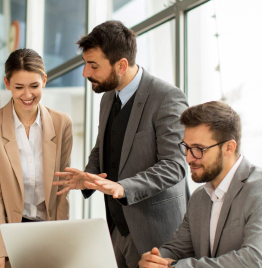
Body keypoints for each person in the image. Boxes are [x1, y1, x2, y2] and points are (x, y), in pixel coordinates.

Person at [53, 20, 189, 268]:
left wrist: (123, 188)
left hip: (158, 234)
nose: (85, 73)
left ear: (122, 65)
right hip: (117, 231)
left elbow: (175, 165)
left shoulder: (167, 97)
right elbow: (102, 147)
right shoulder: (107, 98)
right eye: (85, 64)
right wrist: (88, 176)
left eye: (93, 65)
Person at [138, 101, 262, 268]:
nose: (189, 158)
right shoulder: (200, 197)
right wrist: (155, 261)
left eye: (199, 149)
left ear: (229, 147)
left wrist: (175, 267)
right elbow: (177, 249)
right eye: (186, 147)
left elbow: (254, 261)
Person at [0, 48, 73, 268]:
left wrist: (62, 244)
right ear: (7, 84)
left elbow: (62, 191)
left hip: (43, 239)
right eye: (19, 87)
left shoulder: (61, 123)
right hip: (0, 239)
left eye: (34, 86)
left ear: (44, 80)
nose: (27, 95)